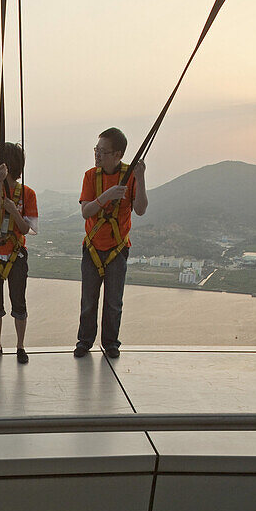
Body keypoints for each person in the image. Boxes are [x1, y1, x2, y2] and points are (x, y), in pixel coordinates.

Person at [74, 127, 147, 359]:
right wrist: (107, 196)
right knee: (89, 300)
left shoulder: (130, 175)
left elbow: (141, 209)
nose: (97, 155)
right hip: (93, 248)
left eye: (102, 151)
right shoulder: (90, 176)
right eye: (96, 150)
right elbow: (86, 211)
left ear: (118, 155)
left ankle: (111, 343)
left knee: (114, 301)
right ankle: (84, 341)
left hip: (117, 249)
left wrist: (141, 177)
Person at [0, 142, 38, 364]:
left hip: (16, 252)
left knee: (18, 301)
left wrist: (13, 210)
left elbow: (26, 229)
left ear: (7, 165)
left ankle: (20, 346)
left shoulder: (27, 194)